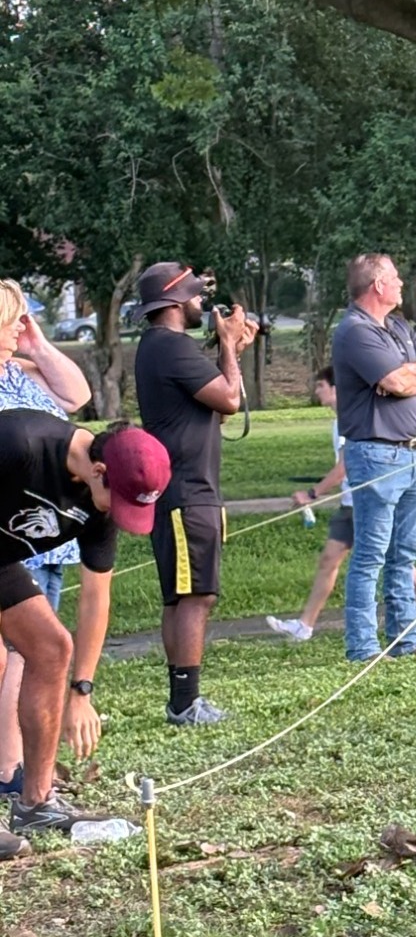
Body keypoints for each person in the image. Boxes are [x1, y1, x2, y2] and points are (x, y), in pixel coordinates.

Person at [0, 411, 170, 859]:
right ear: (98, 471)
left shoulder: (101, 499)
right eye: (120, 501)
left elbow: (96, 597)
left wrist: (82, 691)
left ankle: (36, 805)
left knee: (52, 648)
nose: (118, 513)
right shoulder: (20, 443)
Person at [134, 262, 258, 725]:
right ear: (174, 302)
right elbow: (230, 400)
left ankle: (181, 699)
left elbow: (218, 408)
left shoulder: (159, 347)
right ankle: (185, 704)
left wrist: (233, 351)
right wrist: (226, 343)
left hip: (182, 489)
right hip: (188, 489)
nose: (202, 302)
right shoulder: (171, 346)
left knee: (182, 595)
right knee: (196, 596)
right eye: (194, 294)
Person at [331, 254, 416, 662]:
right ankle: (363, 646)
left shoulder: (398, 326)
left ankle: (405, 639)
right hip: (376, 453)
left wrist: (407, 376)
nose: (401, 283)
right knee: (371, 554)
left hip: (414, 453)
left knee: (405, 555)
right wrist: (404, 378)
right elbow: (397, 381)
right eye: (396, 277)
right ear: (378, 285)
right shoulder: (354, 331)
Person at [0, 280, 91, 801]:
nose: (22, 324)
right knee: (19, 654)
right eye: (16, 316)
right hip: (11, 536)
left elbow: (77, 395)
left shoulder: (20, 371)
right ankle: (11, 767)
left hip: (51, 535)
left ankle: (24, 774)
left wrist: (36, 344)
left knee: (36, 653)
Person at [267, 367, 355, 642]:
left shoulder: (350, 419)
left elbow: (344, 466)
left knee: (396, 563)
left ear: (336, 389)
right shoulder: (338, 422)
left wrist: (312, 494)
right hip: (350, 504)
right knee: (329, 560)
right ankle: (304, 626)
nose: (316, 392)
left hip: (365, 504)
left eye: (320, 386)